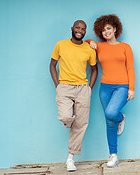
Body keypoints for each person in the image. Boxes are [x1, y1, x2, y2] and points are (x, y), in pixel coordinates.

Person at [88, 14, 135, 167]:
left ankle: (121, 118)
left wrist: (131, 89)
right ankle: (113, 155)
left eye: (108, 28)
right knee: (109, 122)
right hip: (105, 87)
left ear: (115, 29)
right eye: (103, 30)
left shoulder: (125, 47)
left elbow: (130, 68)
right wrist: (91, 41)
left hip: (122, 86)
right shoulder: (100, 47)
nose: (106, 32)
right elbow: (84, 43)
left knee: (111, 113)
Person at [50, 20, 98, 172]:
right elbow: (52, 65)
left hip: (82, 89)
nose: (80, 30)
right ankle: (70, 122)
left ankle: (70, 159)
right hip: (64, 87)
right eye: (77, 27)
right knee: (66, 116)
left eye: (83, 29)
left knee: (81, 124)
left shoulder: (89, 49)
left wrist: (89, 88)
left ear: (85, 32)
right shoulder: (60, 45)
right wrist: (57, 85)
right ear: (72, 28)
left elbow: (94, 69)